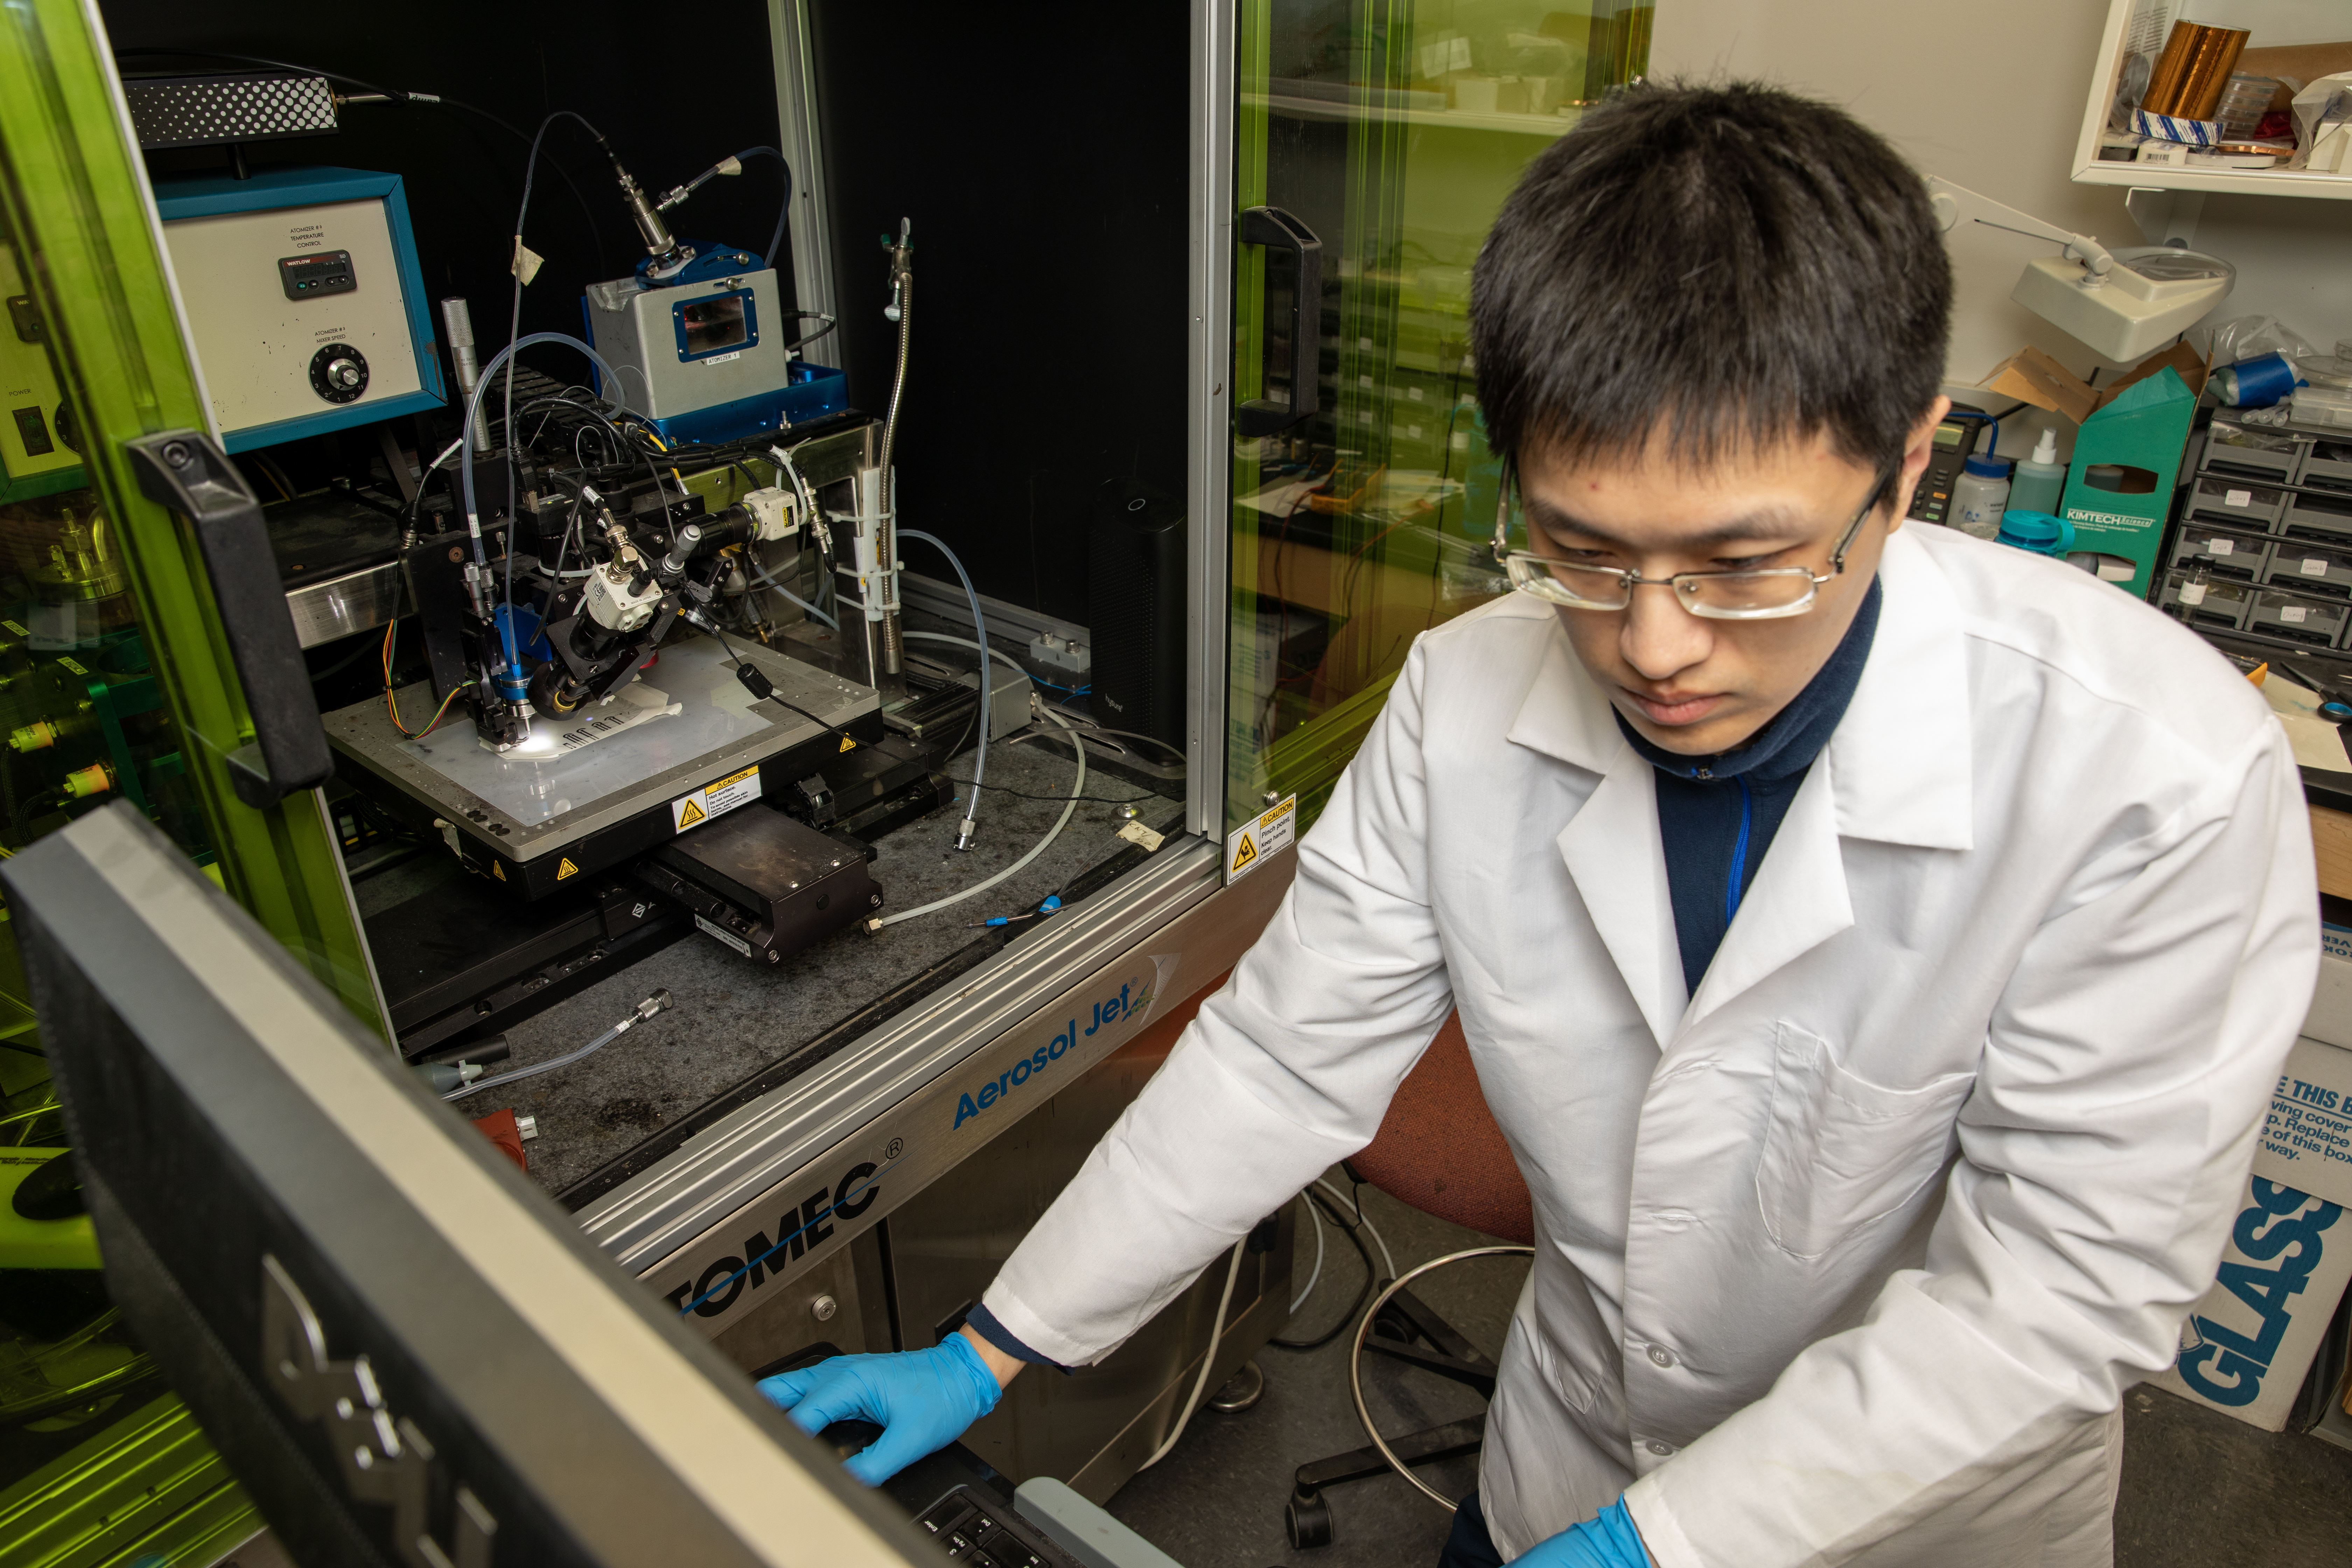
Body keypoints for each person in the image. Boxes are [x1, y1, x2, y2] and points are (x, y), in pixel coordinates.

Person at [762, 82, 2318, 1567]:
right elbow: (1291, 1055)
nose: (1651, 644)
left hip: (1914, 1511)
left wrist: (1670, 1542)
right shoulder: (1463, 694)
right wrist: (994, 1343)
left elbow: (2050, 1302)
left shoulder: (2156, 776)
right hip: (1574, 1451)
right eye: (1582, 551)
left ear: (1907, 463)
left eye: (1740, 566)